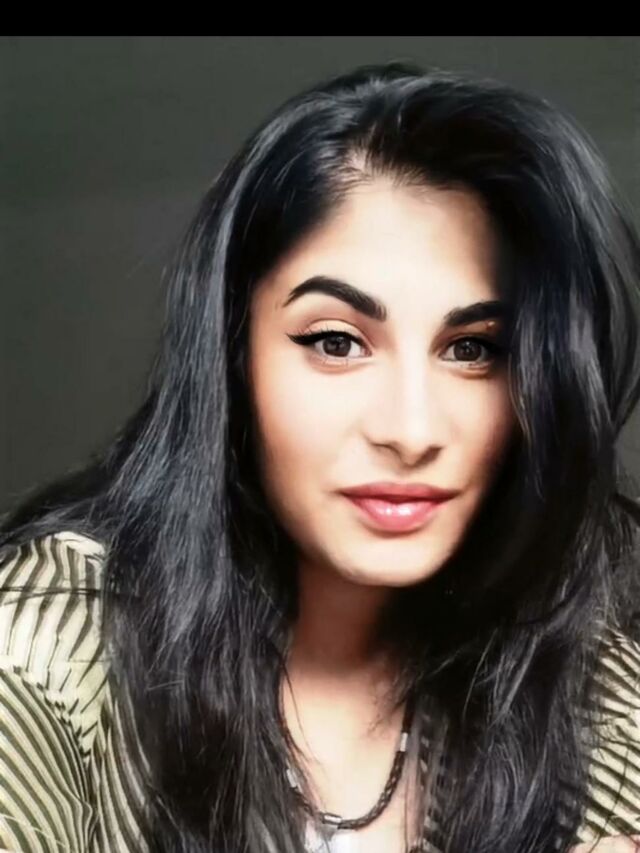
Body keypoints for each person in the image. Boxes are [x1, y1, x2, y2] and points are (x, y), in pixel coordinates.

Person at [1, 59, 640, 853]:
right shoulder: (48, 641)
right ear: (232, 352)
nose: (411, 429)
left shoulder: (587, 676)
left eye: (473, 349)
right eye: (336, 342)